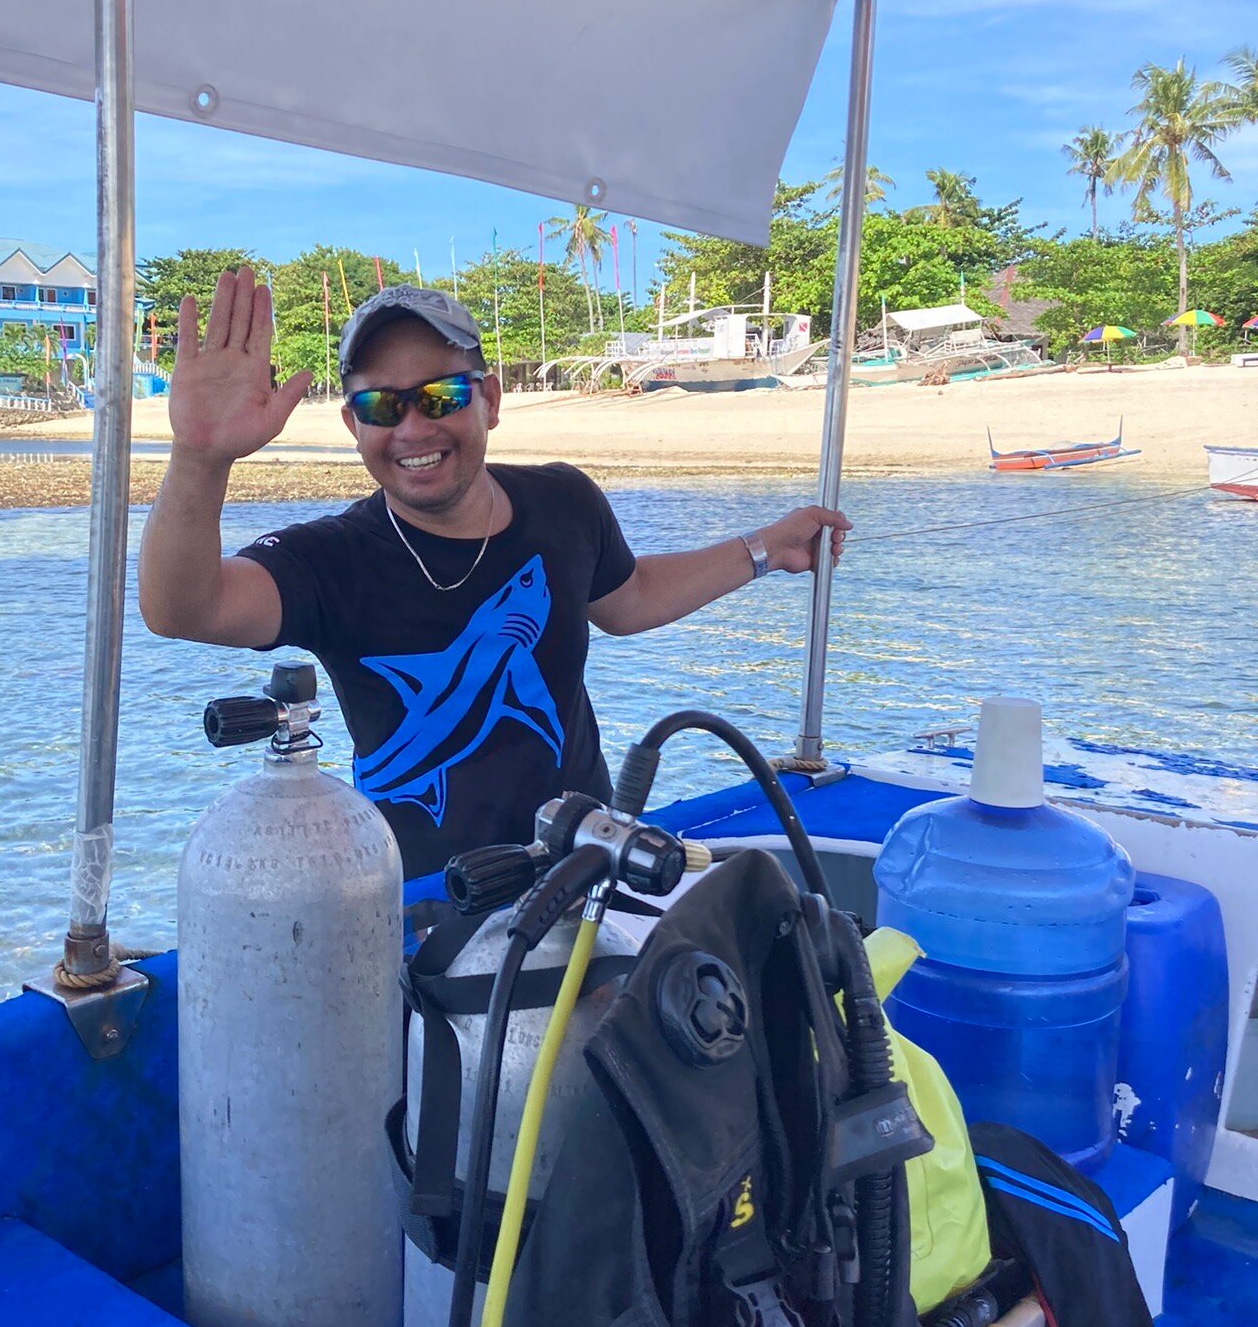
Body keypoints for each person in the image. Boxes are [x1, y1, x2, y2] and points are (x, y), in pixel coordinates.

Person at [139, 265, 849, 882]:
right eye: (381, 405)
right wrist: (201, 457)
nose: (414, 428)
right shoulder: (332, 558)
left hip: (584, 868)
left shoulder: (564, 501)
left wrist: (765, 549)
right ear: (355, 427)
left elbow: (627, 598)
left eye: (443, 395)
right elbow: (184, 608)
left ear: (491, 400)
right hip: (423, 902)